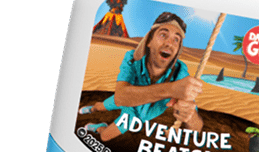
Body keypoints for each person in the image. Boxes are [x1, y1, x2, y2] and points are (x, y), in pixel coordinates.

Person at [81, 12, 204, 142]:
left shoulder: (180, 73)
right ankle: (93, 108)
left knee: (105, 136)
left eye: (176, 40)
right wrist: (171, 89)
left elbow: (196, 127)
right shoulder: (132, 58)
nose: (169, 43)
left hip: (135, 115)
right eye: (163, 35)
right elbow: (120, 98)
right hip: (127, 97)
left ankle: (99, 127)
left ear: (178, 50)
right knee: (101, 106)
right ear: (149, 41)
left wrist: (190, 116)